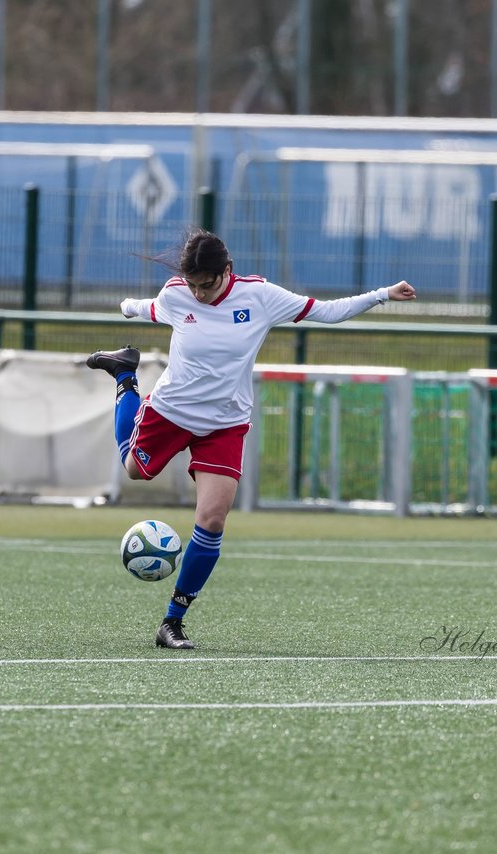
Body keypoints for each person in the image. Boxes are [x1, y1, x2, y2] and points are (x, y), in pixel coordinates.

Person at [88, 228, 416, 649]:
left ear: (228, 271)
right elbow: (150, 307)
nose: (199, 294)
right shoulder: (176, 294)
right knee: (135, 470)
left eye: (206, 285)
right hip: (172, 411)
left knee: (212, 520)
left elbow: (328, 311)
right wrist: (128, 307)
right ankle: (124, 375)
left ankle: (172, 621)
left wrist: (382, 294)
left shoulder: (259, 297)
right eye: (192, 285)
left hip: (225, 422)